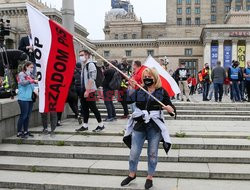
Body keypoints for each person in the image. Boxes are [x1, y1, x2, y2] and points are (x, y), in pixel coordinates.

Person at [122, 68, 176, 189]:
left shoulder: (161, 92)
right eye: (145, 77)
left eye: (149, 77)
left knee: (152, 153)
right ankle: (132, 174)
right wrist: (130, 88)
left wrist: (170, 109)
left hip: (154, 127)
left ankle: (150, 177)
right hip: (140, 124)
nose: (147, 79)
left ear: (155, 78)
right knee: (134, 152)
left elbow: (172, 108)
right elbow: (128, 101)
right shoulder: (140, 90)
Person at [75, 49, 104, 132]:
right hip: (83, 89)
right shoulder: (84, 65)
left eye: (82, 55)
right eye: (80, 55)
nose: (81, 57)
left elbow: (92, 78)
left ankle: (101, 124)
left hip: (90, 90)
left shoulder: (90, 65)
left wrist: (87, 91)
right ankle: (85, 125)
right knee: (84, 108)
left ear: (87, 55)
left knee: (93, 107)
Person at [16, 61, 37, 138]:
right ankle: (19, 131)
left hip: (29, 98)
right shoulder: (22, 74)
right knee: (23, 115)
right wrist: (32, 81)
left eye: (32, 67)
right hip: (23, 98)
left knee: (27, 116)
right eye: (31, 67)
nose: (32, 69)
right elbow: (22, 83)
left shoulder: (30, 75)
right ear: (26, 67)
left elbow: (32, 85)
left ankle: (25, 131)